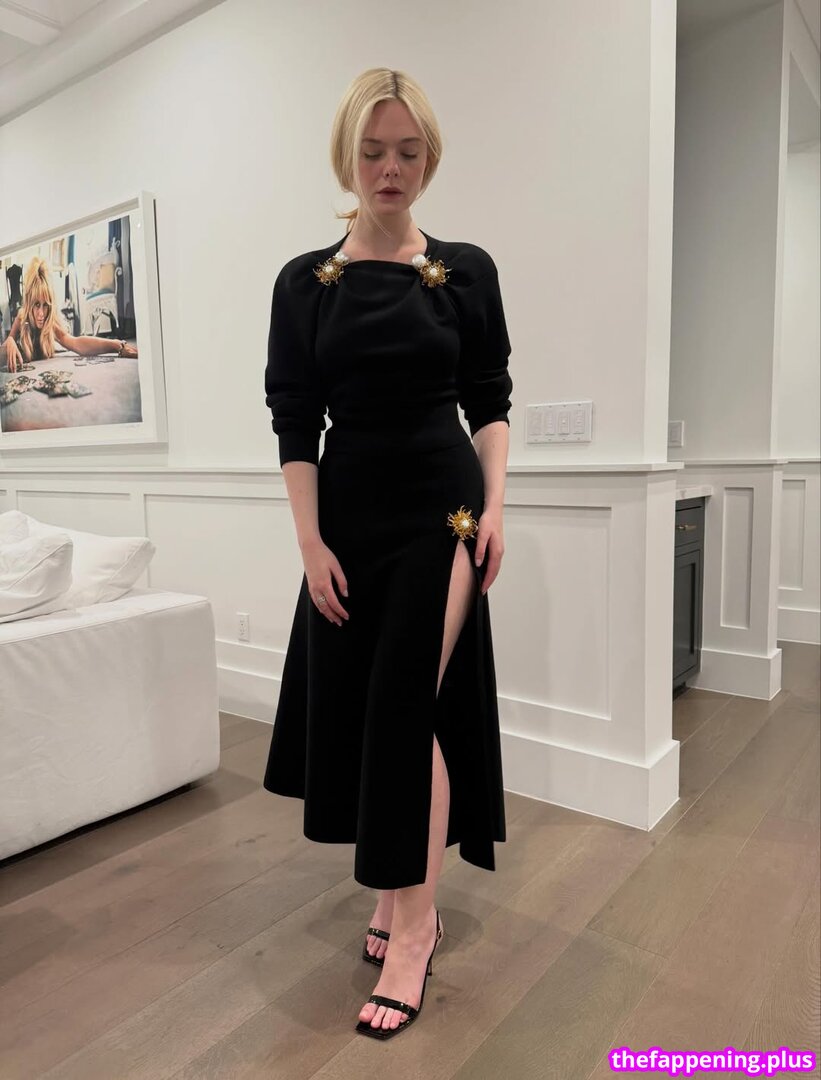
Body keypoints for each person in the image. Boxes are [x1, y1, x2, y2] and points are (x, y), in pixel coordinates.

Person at [262, 67, 513, 1040]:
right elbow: (294, 419)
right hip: (349, 519)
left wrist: (495, 508)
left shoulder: (464, 269)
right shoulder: (304, 283)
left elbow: (489, 400)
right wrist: (309, 541)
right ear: (347, 156)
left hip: (441, 517)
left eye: (407, 151)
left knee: (407, 708)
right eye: (372, 151)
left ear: (428, 157)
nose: (389, 169)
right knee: (377, 714)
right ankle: (397, 888)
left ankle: (414, 929)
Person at [2, 256, 138, 373]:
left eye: (45, 305)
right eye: (37, 305)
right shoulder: (22, 317)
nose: (41, 313)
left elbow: (76, 343)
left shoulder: (50, 323)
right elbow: (8, 342)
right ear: (30, 304)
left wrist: (117, 345)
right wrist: (10, 341)